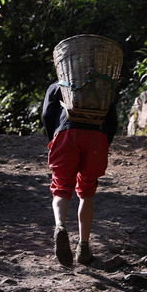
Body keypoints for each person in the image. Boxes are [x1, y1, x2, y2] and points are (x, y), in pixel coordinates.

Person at [42, 81, 117, 267]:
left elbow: (46, 115)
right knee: (87, 191)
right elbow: (112, 121)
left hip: (66, 134)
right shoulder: (103, 86)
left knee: (61, 188)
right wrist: (104, 142)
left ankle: (60, 226)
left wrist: (54, 138)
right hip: (96, 138)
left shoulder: (58, 86)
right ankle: (83, 247)